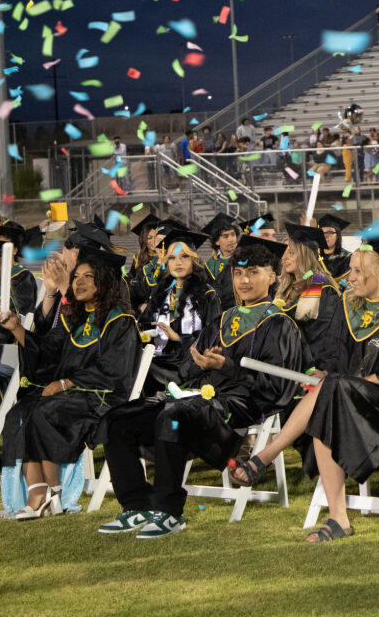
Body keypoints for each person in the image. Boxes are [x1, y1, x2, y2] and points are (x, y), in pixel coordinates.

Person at [97, 236, 305, 538]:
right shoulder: (223, 320)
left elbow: (278, 390)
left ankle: (169, 513)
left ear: (272, 276)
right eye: (238, 273)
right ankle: (136, 505)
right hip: (198, 399)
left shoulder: (280, 324)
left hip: (242, 408)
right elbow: (188, 368)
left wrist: (225, 367)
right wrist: (189, 369)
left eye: (253, 272)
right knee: (119, 419)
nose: (244, 280)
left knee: (174, 415)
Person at [230, 240, 379, 541]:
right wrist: (323, 373)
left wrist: (356, 384)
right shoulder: (350, 305)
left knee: (331, 391)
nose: (348, 278)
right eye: (350, 270)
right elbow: (337, 360)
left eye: (356, 271)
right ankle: (338, 518)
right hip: (349, 396)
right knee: (328, 392)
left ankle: (267, 455)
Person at [0, 246, 140, 519]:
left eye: (89, 277)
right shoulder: (72, 320)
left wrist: (66, 383)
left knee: (45, 411)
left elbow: (115, 371)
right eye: (76, 277)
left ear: (105, 282)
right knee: (21, 410)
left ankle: (55, 492)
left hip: (102, 397)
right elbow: (46, 353)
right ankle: (36, 492)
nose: (79, 282)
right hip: (72, 394)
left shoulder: (120, 322)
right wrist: (16, 327)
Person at [137, 230, 221, 394]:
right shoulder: (160, 293)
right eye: (172, 258)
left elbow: (213, 338)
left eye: (185, 256)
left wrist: (178, 338)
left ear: (194, 260)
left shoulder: (207, 294)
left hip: (187, 363)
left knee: (144, 368)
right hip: (159, 358)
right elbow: (145, 325)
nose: (178, 263)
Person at [273, 223, 344, 369]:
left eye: (291, 252)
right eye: (284, 252)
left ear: (305, 254)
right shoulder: (287, 287)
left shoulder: (319, 285)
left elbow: (321, 338)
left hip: (310, 367)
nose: (284, 257)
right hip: (287, 361)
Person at [201, 214, 240, 309]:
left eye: (233, 234)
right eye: (225, 236)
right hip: (222, 311)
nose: (231, 239)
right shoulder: (210, 265)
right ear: (217, 241)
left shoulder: (244, 256)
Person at [317, 215, 351, 279]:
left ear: (338, 235)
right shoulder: (313, 257)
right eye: (322, 232)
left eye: (330, 232)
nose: (325, 236)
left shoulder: (347, 258)